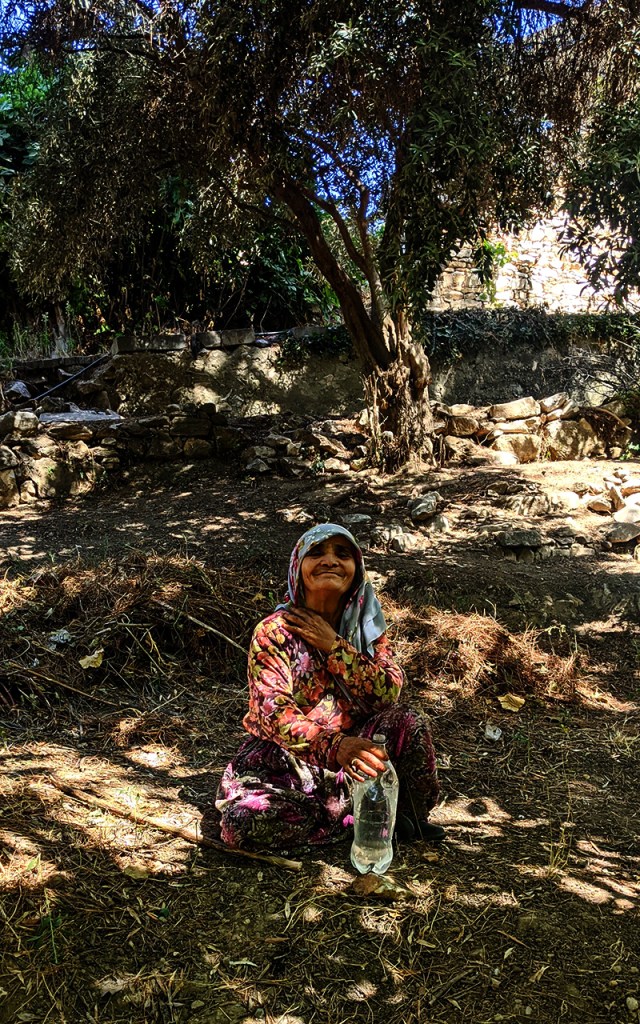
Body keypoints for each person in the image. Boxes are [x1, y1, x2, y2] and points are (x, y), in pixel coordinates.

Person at [215, 523, 443, 851]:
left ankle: (401, 815)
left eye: (342, 554)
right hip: (289, 761)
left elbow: (387, 692)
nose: (330, 560)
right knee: (243, 824)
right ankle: (360, 819)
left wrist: (334, 646)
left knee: (408, 721)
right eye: (317, 552)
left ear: (356, 569)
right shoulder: (275, 632)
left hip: (355, 754)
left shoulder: (366, 627)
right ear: (298, 567)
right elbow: (274, 712)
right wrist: (335, 747)